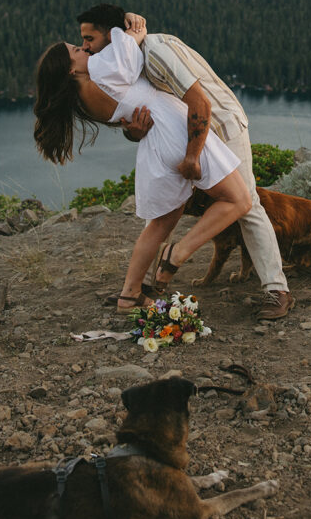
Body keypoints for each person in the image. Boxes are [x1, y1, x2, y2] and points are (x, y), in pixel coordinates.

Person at [77, 4, 295, 320]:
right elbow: (143, 114)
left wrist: (192, 157)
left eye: (89, 38)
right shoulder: (127, 60)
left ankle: (278, 292)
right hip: (184, 134)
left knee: (247, 204)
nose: (85, 47)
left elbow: (200, 103)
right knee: (169, 207)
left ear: (112, 34)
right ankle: (141, 290)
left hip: (220, 124)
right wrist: (136, 133)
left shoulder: (155, 52)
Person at [34, 22, 251, 313]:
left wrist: (134, 130)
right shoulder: (100, 76)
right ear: (71, 70)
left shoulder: (83, 99)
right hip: (173, 130)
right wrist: (135, 27)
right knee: (239, 199)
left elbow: (127, 114)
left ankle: (130, 294)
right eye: (76, 50)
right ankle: (178, 253)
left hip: (157, 141)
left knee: (164, 221)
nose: (85, 48)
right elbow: (129, 48)